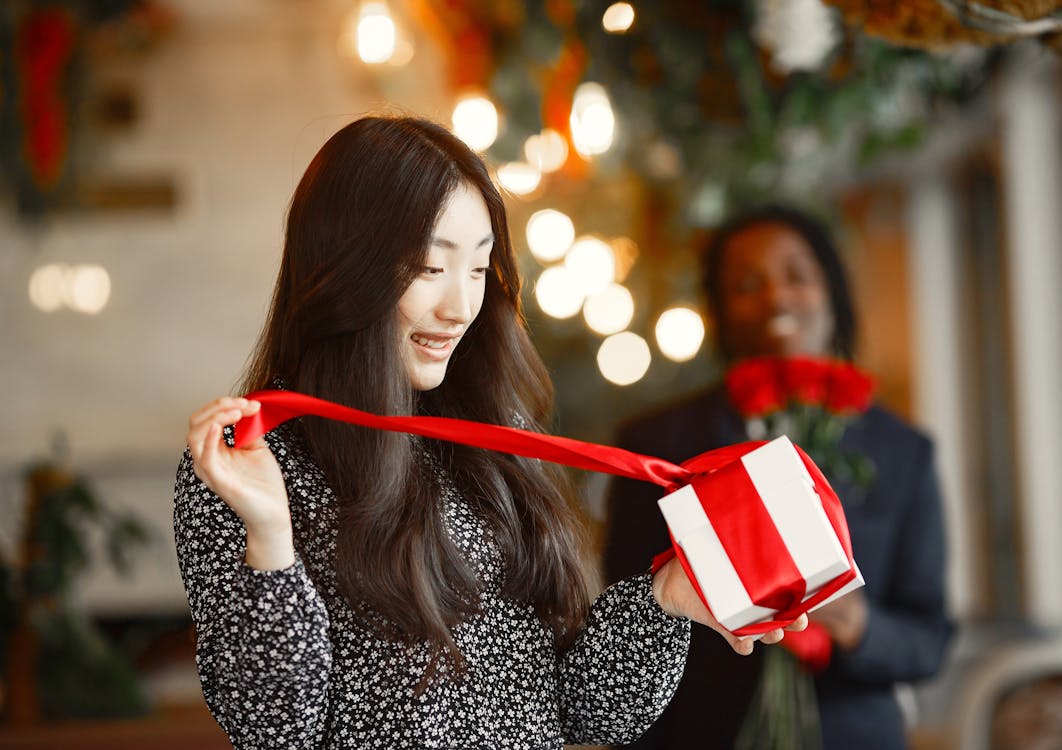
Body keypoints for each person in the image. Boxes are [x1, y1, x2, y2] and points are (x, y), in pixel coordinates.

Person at [173, 116, 805, 750]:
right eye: (429, 267)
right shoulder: (251, 461)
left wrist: (661, 605)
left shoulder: (492, 435)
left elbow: (582, 712)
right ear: (344, 267)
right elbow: (272, 730)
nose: (460, 307)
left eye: (478, 270)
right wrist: (270, 537)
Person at [602, 205, 954, 750]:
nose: (776, 297)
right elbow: (624, 615)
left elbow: (929, 642)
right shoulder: (657, 444)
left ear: (832, 293)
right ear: (719, 310)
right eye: (747, 283)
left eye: (798, 276)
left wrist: (858, 623)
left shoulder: (903, 452)